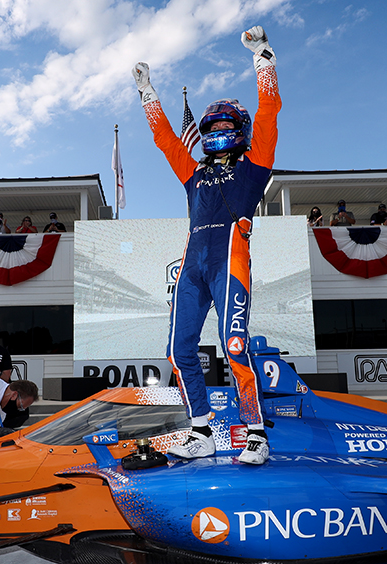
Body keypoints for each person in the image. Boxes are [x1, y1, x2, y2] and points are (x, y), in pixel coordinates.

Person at [133, 25, 281, 465]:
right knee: (178, 350)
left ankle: (255, 432)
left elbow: (269, 110)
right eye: (210, 126)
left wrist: (262, 58)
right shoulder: (193, 173)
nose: (215, 132)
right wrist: (148, 95)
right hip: (193, 267)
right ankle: (201, 430)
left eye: (223, 126)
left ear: (239, 130)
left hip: (230, 263)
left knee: (235, 344)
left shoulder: (256, 165)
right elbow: (164, 139)